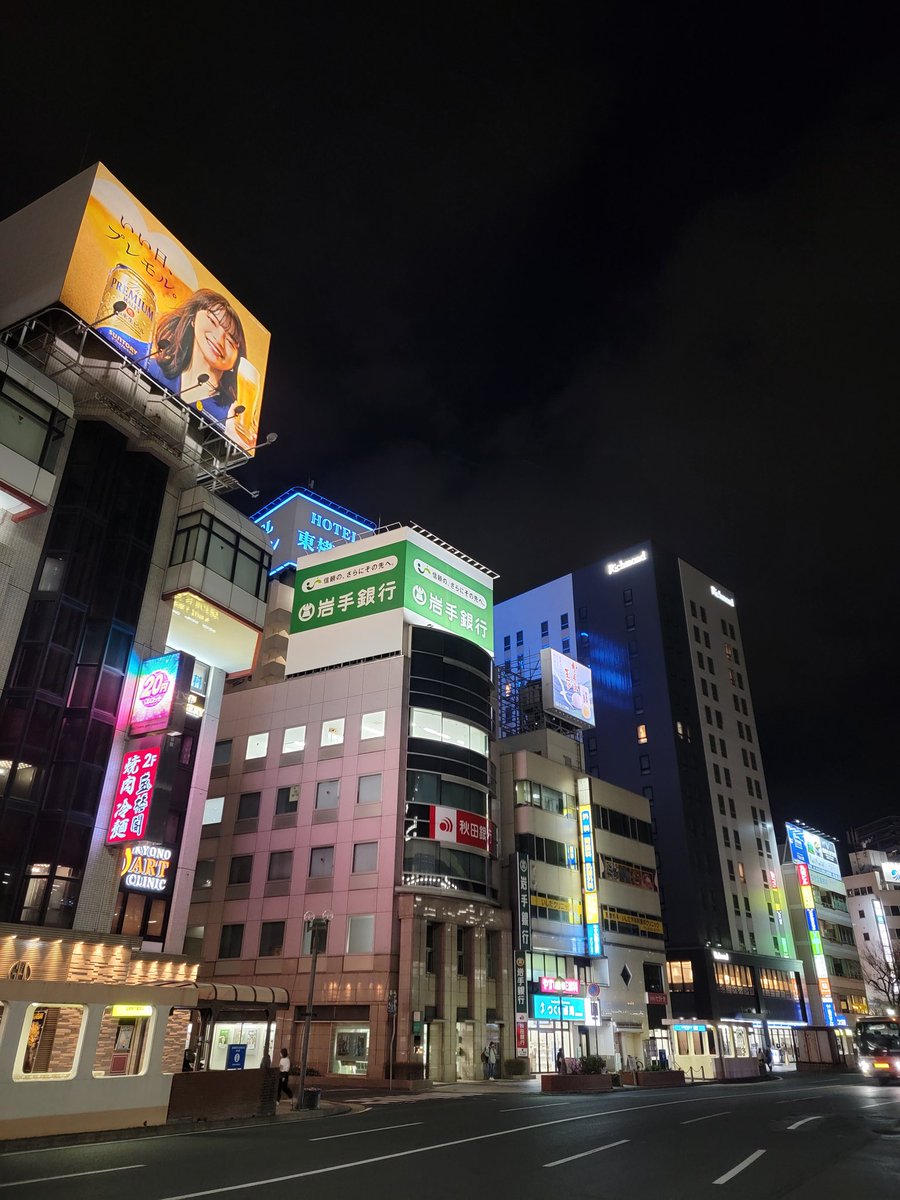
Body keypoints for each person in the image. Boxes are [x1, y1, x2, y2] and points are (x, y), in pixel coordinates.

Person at [144, 288, 248, 427]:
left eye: (230, 341)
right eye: (212, 320)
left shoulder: (231, 416)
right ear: (193, 319)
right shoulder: (151, 367)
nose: (219, 339)